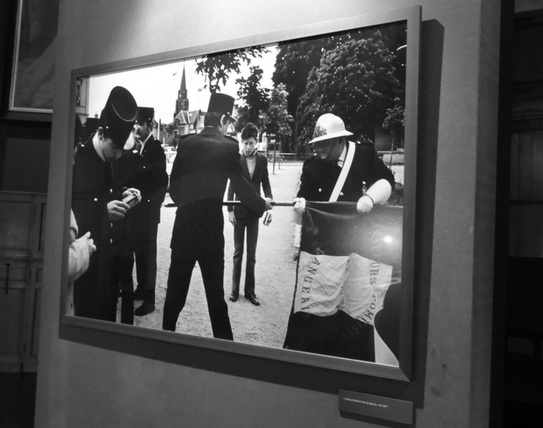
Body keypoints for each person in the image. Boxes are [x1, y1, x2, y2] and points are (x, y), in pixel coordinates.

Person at [284, 112, 395, 359]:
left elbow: (387, 180)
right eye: (316, 144)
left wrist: (369, 197)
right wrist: (300, 209)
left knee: (356, 301)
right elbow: (303, 207)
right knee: (321, 303)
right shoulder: (311, 167)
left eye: (324, 144)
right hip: (328, 248)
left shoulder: (363, 154)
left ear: (339, 141)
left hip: (360, 245)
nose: (319, 149)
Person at [162, 93, 272, 339]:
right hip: (210, 234)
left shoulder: (186, 143)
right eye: (228, 123)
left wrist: (188, 203)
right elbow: (242, 187)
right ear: (223, 119)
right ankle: (226, 348)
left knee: (175, 295)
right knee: (215, 299)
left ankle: (165, 339)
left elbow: (174, 189)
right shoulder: (229, 146)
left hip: (184, 231)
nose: (229, 128)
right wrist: (262, 205)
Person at [71, 86, 141, 322]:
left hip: (109, 260)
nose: (119, 155)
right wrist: (103, 212)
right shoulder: (77, 161)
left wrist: (125, 194)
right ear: (100, 133)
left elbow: (106, 192)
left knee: (107, 317)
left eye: (122, 149)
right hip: (86, 264)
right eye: (115, 148)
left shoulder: (112, 157)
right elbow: (69, 212)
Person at [113, 107, 168, 318]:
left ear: (149, 126)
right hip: (139, 213)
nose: (136, 127)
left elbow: (162, 183)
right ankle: (140, 289)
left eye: (140, 124)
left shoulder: (155, 149)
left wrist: (152, 209)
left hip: (148, 214)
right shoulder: (140, 147)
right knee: (138, 252)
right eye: (134, 124)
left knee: (148, 255)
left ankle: (150, 299)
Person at [226, 122, 273, 306]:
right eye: (245, 143)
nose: (247, 147)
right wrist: (230, 211)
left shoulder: (262, 161)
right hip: (239, 211)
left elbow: (266, 182)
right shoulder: (236, 160)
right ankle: (234, 290)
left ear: (256, 142)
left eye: (251, 143)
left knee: (251, 255)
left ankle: (250, 292)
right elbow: (231, 185)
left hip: (254, 212)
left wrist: (269, 199)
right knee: (238, 252)